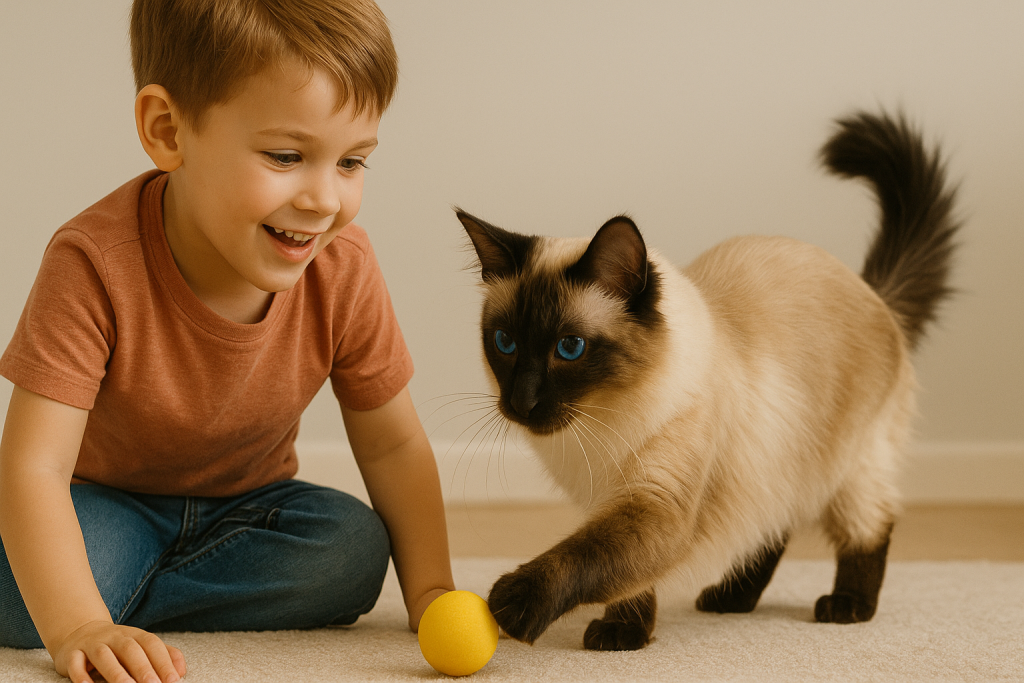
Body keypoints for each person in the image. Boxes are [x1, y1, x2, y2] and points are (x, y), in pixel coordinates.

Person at [0, 1, 455, 682]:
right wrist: (78, 624)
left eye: (352, 162)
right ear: (168, 131)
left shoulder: (343, 268)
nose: (325, 199)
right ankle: (100, 601)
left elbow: (392, 443)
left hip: (250, 507)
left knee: (354, 549)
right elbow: (32, 469)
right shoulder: (93, 262)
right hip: (106, 500)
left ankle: (123, 596)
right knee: (21, 598)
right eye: (286, 155)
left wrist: (432, 592)